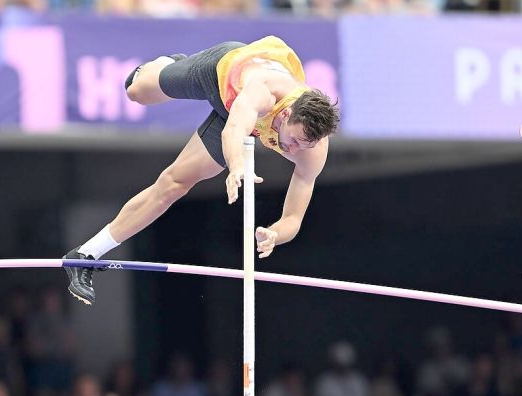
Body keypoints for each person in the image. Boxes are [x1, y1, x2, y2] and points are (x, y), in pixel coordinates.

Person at [63, 36, 339, 305]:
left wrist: (276, 234)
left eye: (305, 145)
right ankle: (167, 63)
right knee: (135, 91)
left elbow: (293, 217)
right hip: (220, 75)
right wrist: (236, 166)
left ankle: (86, 254)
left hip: (244, 121)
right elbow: (234, 130)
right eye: (294, 140)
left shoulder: (313, 149)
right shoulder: (263, 91)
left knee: (175, 183)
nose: (294, 151)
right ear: (286, 114)